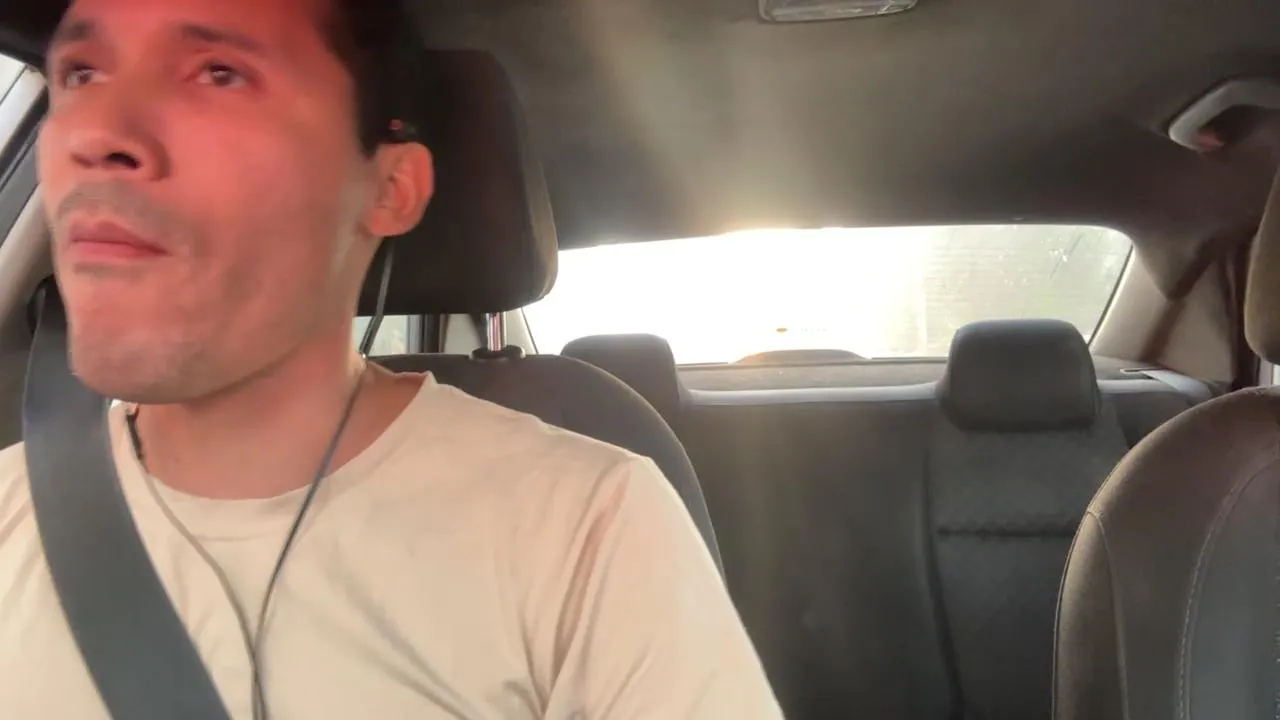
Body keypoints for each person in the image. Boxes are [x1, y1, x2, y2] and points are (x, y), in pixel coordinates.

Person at [0, 0, 785, 717]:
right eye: (81, 74)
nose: (97, 133)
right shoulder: (12, 514)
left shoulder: (590, 529)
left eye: (219, 73)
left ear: (392, 188)